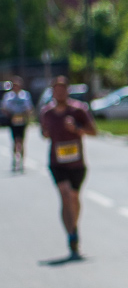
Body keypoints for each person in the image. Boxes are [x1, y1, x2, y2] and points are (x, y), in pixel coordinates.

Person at [40, 77, 97, 260]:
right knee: (65, 194)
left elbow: (93, 131)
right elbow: (44, 132)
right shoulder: (47, 113)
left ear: (67, 92)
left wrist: (77, 128)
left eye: (62, 90)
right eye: (56, 91)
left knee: (74, 197)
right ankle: (71, 235)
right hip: (57, 163)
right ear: (53, 93)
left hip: (77, 163)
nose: (60, 94)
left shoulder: (79, 110)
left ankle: (74, 226)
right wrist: (46, 133)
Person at [1, 76, 34, 172]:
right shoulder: (8, 96)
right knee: (15, 141)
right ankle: (15, 159)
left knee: (22, 141)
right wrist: (10, 114)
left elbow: (29, 107)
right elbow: (4, 108)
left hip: (22, 120)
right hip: (13, 120)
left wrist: (27, 115)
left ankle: (23, 161)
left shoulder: (25, 95)